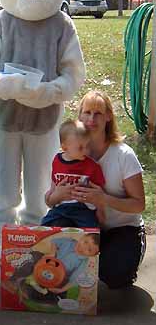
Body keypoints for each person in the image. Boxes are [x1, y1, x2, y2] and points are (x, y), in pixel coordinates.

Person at [72, 90, 146, 289]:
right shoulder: (71, 153)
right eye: (87, 112)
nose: (91, 119)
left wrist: (103, 199)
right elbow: (51, 199)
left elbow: (139, 205)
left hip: (122, 229)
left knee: (113, 275)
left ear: (108, 116)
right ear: (79, 116)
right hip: (86, 226)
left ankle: (132, 255)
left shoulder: (124, 155)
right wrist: (58, 194)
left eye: (98, 113)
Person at [42, 119, 105, 228]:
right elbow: (54, 183)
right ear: (64, 147)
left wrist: (100, 210)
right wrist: (52, 195)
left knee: (91, 230)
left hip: (82, 208)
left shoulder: (92, 166)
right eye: (80, 147)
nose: (85, 151)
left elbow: (99, 190)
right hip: (60, 207)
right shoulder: (57, 161)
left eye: (87, 146)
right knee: (45, 224)